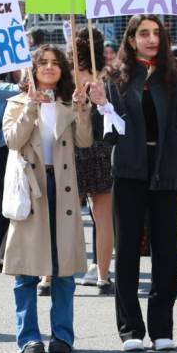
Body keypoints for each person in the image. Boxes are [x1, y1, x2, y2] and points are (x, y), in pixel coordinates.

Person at [89, 15, 177, 352]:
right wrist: (100, 105)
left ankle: (162, 327)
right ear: (130, 40)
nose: (151, 38)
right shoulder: (114, 78)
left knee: (166, 253)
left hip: (166, 172)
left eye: (156, 33)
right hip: (129, 171)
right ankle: (130, 329)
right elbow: (107, 134)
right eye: (143, 33)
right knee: (127, 252)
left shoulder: (172, 78)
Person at [2, 46, 93, 353]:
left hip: (64, 186)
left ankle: (63, 335)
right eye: (43, 63)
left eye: (55, 63)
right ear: (33, 69)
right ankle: (28, 336)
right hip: (31, 189)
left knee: (64, 267)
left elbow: (85, 141)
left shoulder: (69, 102)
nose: (50, 68)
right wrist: (30, 105)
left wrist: (83, 111)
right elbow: (13, 140)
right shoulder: (16, 102)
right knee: (27, 268)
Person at [71, 27, 115, 293]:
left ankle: (51, 275)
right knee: (102, 216)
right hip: (102, 147)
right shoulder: (106, 76)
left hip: (74, 146)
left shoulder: (69, 76)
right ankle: (102, 274)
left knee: (64, 214)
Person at [0, 73, 23, 273]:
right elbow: (26, 89)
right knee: (5, 204)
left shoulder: (1, 87)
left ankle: (3, 255)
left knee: (12, 203)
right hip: (3, 150)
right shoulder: (0, 88)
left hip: (10, 149)